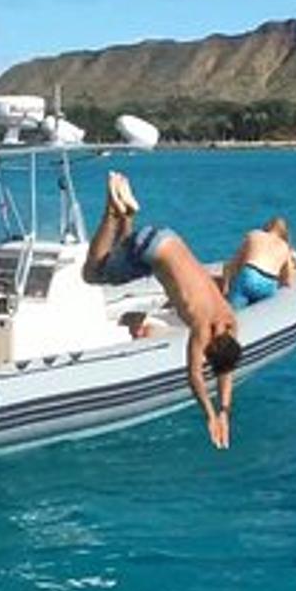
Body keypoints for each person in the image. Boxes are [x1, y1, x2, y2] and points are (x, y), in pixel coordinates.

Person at [82, 171, 243, 450]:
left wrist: (224, 412)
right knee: (93, 273)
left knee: (124, 252)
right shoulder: (203, 329)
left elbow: (226, 370)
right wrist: (209, 415)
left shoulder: (229, 320)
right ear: (209, 349)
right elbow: (194, 377)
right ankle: (112, 210)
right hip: (152, 250)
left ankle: (128, 210)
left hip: (167, 239)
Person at [220, 216, 296, 309]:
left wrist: (226, 285)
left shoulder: (254, 234)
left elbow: (236, 262)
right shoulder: (285, 247)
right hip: (269, 284)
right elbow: (288, 280)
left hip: (250, 276)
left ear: (267, 226)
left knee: (234, 310)